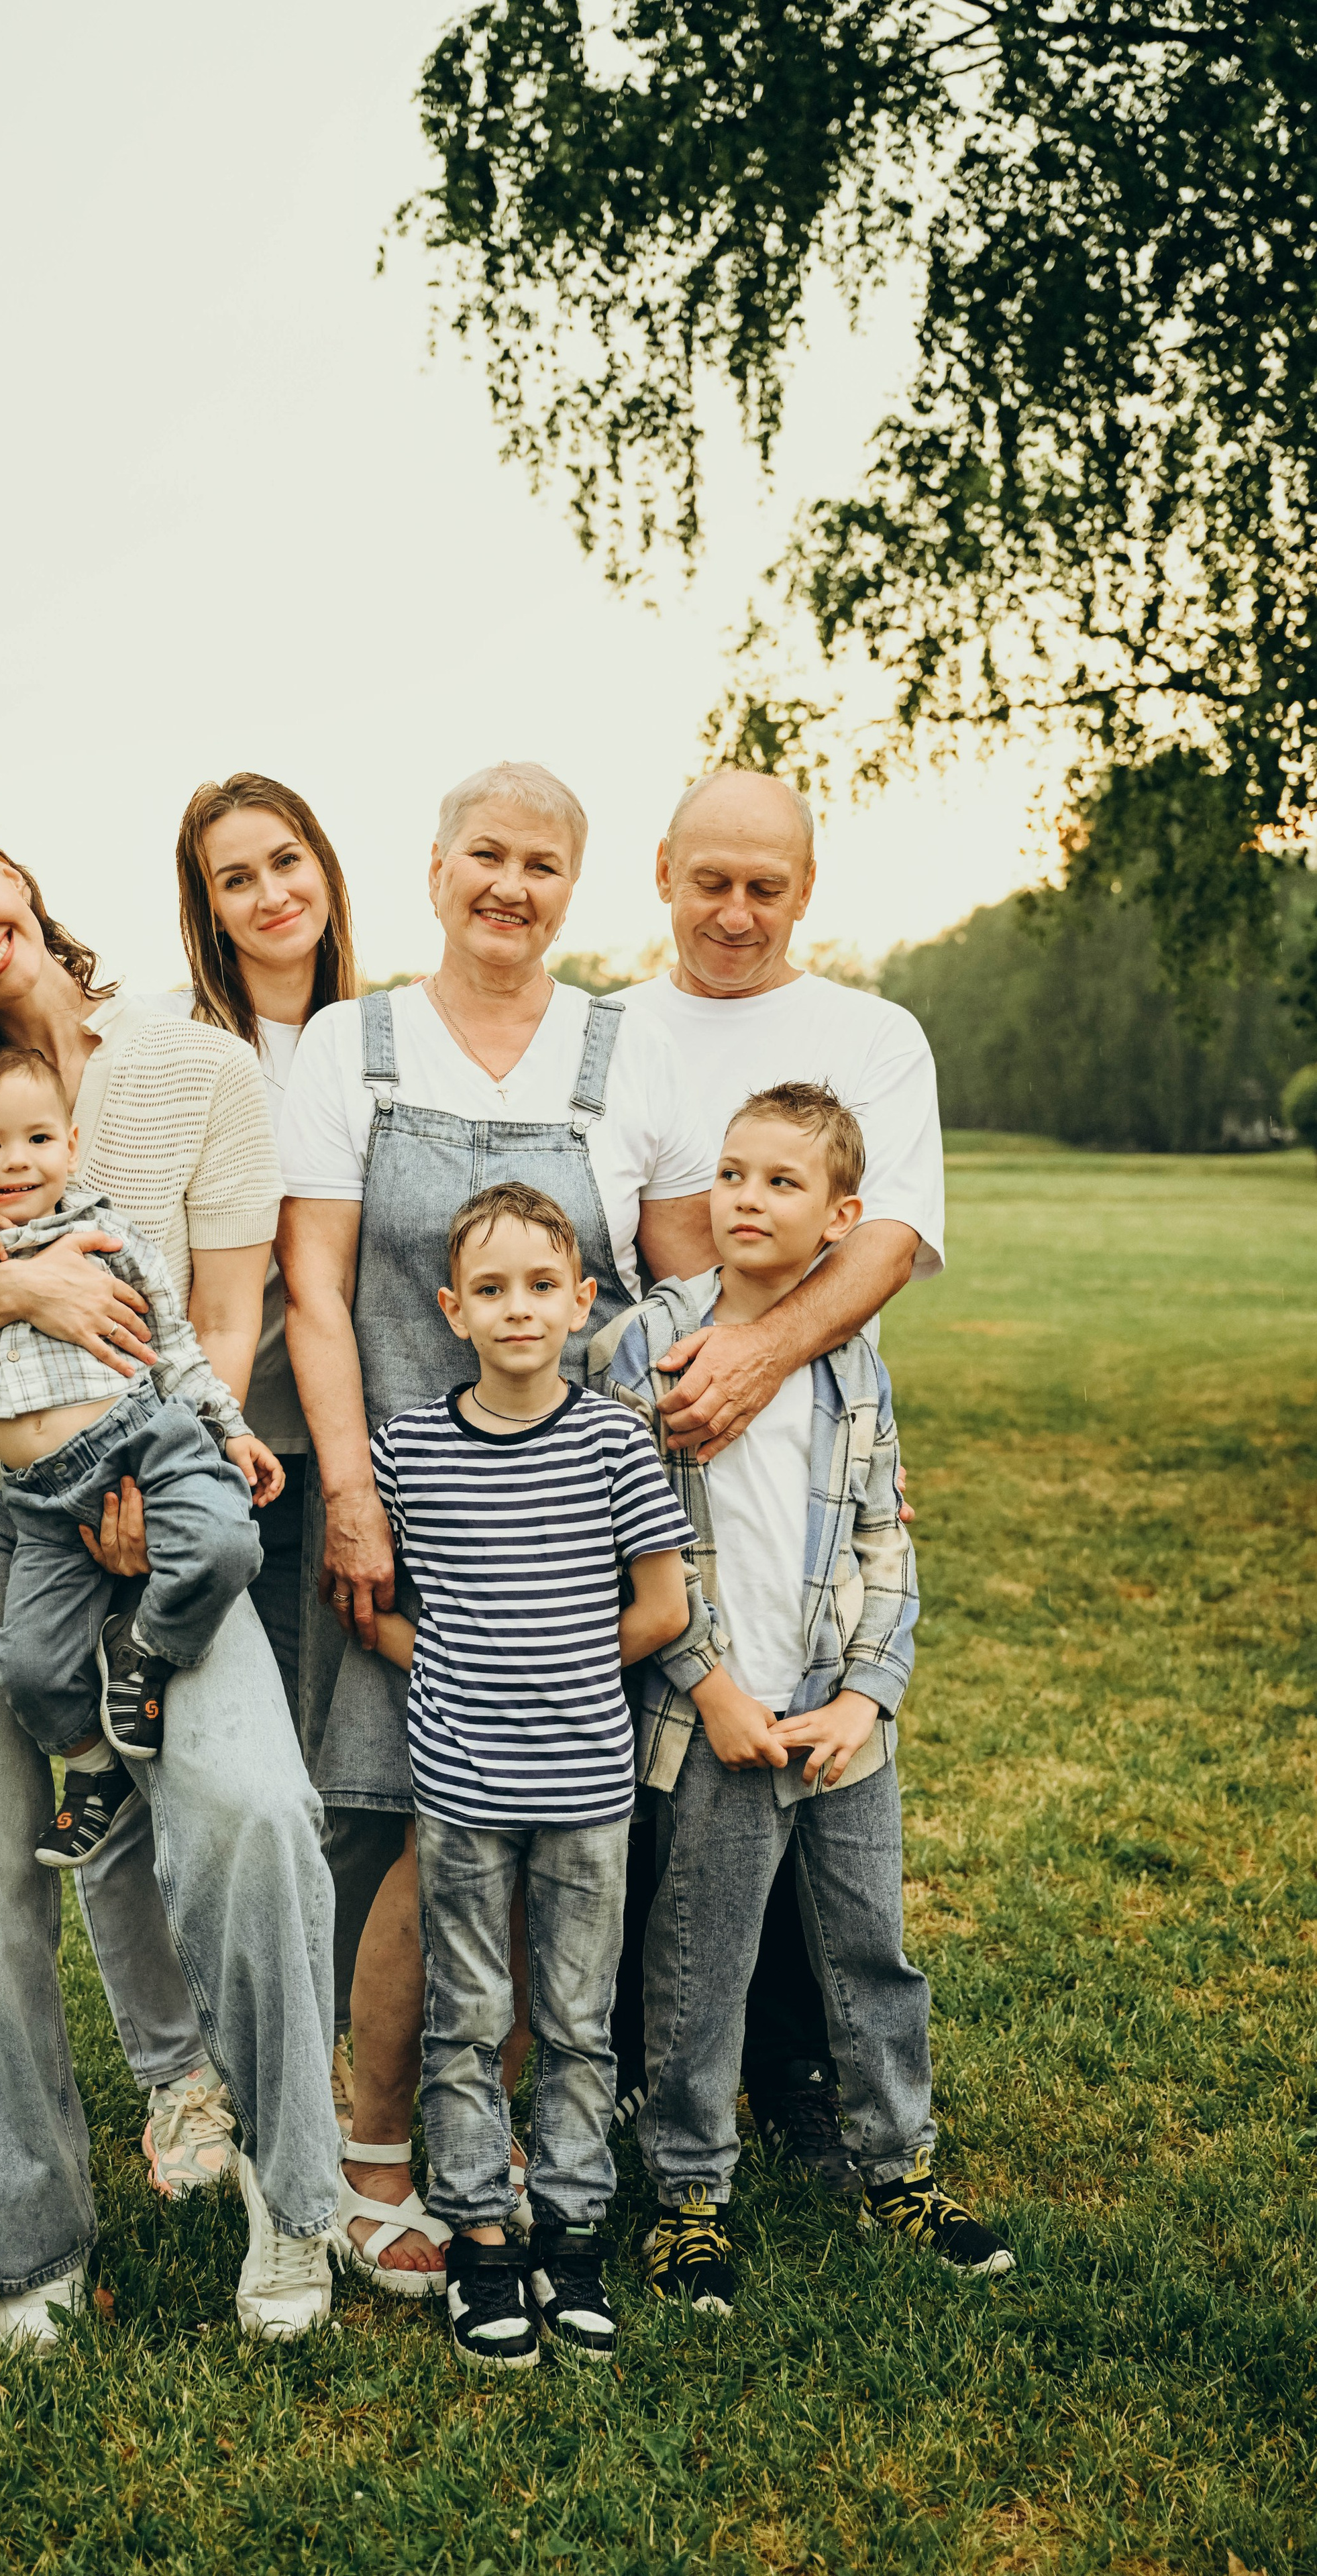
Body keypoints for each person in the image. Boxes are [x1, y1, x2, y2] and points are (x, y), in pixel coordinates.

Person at [0, 801, 339, 2351]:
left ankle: (292, 2196)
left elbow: (225, 1317)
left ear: (15, 875)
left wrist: (158, 1471)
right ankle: (24, 2237)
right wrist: (24, 1290)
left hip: (148, 1480)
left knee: (256, 1806)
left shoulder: (200, 1066)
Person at [277, 760, 719, 2294]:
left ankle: (494, 2143)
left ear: (570, 887)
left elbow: (682, 1297)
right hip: (408, 1509)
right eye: (485, 855)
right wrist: (352, 1492)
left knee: (539, 1836)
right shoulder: (353, 1045)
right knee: (414, 1837)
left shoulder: (629, 1050)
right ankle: (371, 2144)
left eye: (540, 864)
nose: (508, 887)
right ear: (434, 867)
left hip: (567, 1531)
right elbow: (314, 1293)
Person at [592, 1082, 1012, 2298]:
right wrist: (712, 1687)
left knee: (869, 1950)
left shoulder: (852, 1365)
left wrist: (868, 1696)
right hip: (715, 1722)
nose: (747, 1199)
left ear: (840, 1219)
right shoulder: (648, 1345)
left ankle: (899, 2166)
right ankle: (688, 2196)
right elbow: (630, 1542)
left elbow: (886, 1539)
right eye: (733, 1174)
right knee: (698, 1965)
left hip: (839, 1725)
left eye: (782, 1182)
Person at [614, 769, 947, 2185]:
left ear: (806, 888)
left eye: (767, 886)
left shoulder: (870, 1034)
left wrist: (758, 1361)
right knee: (681, 1863)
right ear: (662, 872)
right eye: (711, 882)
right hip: (661, 1455)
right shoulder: (615, 1033)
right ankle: (666, 2119)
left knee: (837, 1871)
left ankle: (822, 2101)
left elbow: (890, 1239)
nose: (737, 913)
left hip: (804, 1460)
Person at [62, 770, 364, 2200]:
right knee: (163, 1762)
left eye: (285, 861)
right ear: (204, 907)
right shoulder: (173, 1051)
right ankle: (183, 2071)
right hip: (196, 1459)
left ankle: (312, 2055)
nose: (269, 894)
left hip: (339, 1455)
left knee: (309, 1775)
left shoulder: (377, 1042)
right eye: (234, 877)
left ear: (327, 870)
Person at [366, 1183, 695, 2367]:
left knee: (577, 2023)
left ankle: (570, 2236)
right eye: (492, 1289)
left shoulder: (614, 1440)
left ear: (581, 1300)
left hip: (588, 1790)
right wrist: (459, 1663)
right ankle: (480, 2241)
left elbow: (663, 1608)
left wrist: (563, 1665)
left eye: (542, 1286)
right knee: (466, 2019)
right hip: (461, 1790)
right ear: (452, 1310)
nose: (518, 1308)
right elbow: (375, 1605)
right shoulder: (408, 1451)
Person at [0, 1042, 278, 1869]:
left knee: (225, 1544)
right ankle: (93, 1767)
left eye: (37, 1139)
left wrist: (232, 1428)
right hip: (39, 1495)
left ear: (70, 1146)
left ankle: (149, 1648)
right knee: (30, 1668)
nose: (16, 1161)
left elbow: (175, 1347)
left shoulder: (107, 1236)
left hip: (146, 1443)